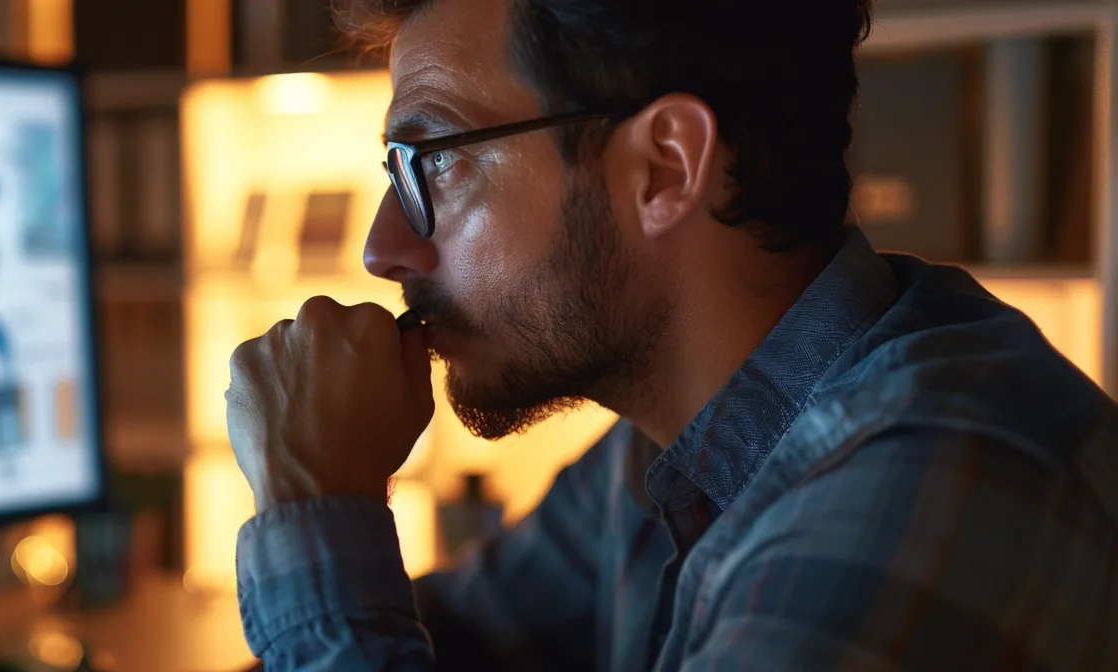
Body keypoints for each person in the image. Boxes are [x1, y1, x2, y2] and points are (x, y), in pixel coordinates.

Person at [221, 0, 1118, 669]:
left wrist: (315, 505)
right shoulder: (664, 458)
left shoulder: (941, 485)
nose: (383, 246)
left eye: (438, 162)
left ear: (665, 168)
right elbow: (456, 633)